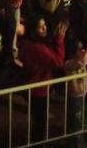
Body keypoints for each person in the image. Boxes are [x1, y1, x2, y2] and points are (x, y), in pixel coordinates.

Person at [18, 15, 66, 143]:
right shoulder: (37, 48)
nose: (44, 28)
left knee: (38, 121)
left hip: (32, 85)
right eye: (40, 27)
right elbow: (58, 61)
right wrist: (60, 39)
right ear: (33, 30)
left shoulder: (26, 43)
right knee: (40, 124)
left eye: (44, 25)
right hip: (38, 89)